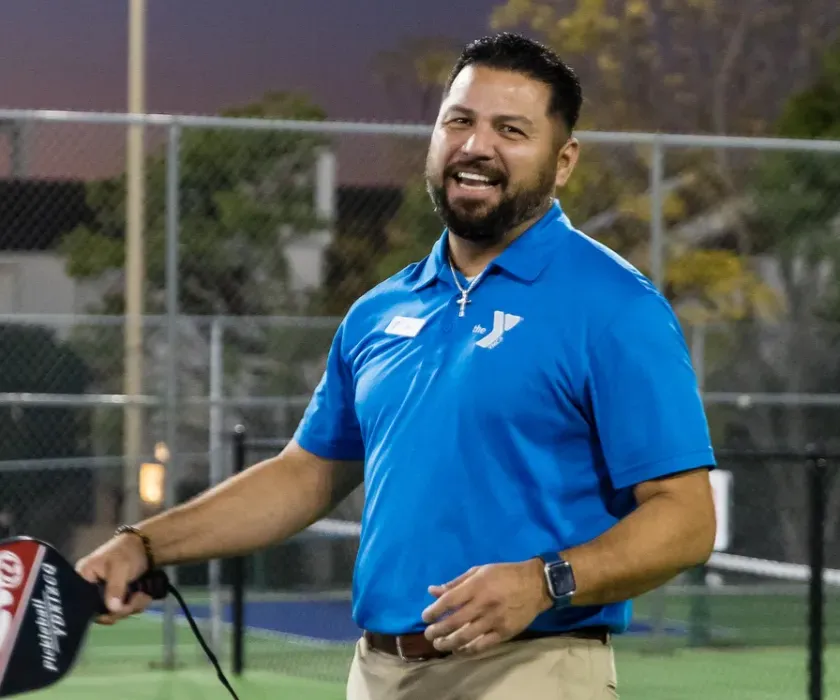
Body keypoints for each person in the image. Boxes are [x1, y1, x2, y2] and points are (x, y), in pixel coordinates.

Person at [76, 32, 717, 700]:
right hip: (378, 674)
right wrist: (144, 544)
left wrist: (544, 580)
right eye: (459, 121)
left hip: (529, 668)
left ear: (563, 162)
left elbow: (688, 518)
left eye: (511, 130)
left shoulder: (615, 307)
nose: (477, 146)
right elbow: (306, 474)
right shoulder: (378, 311)